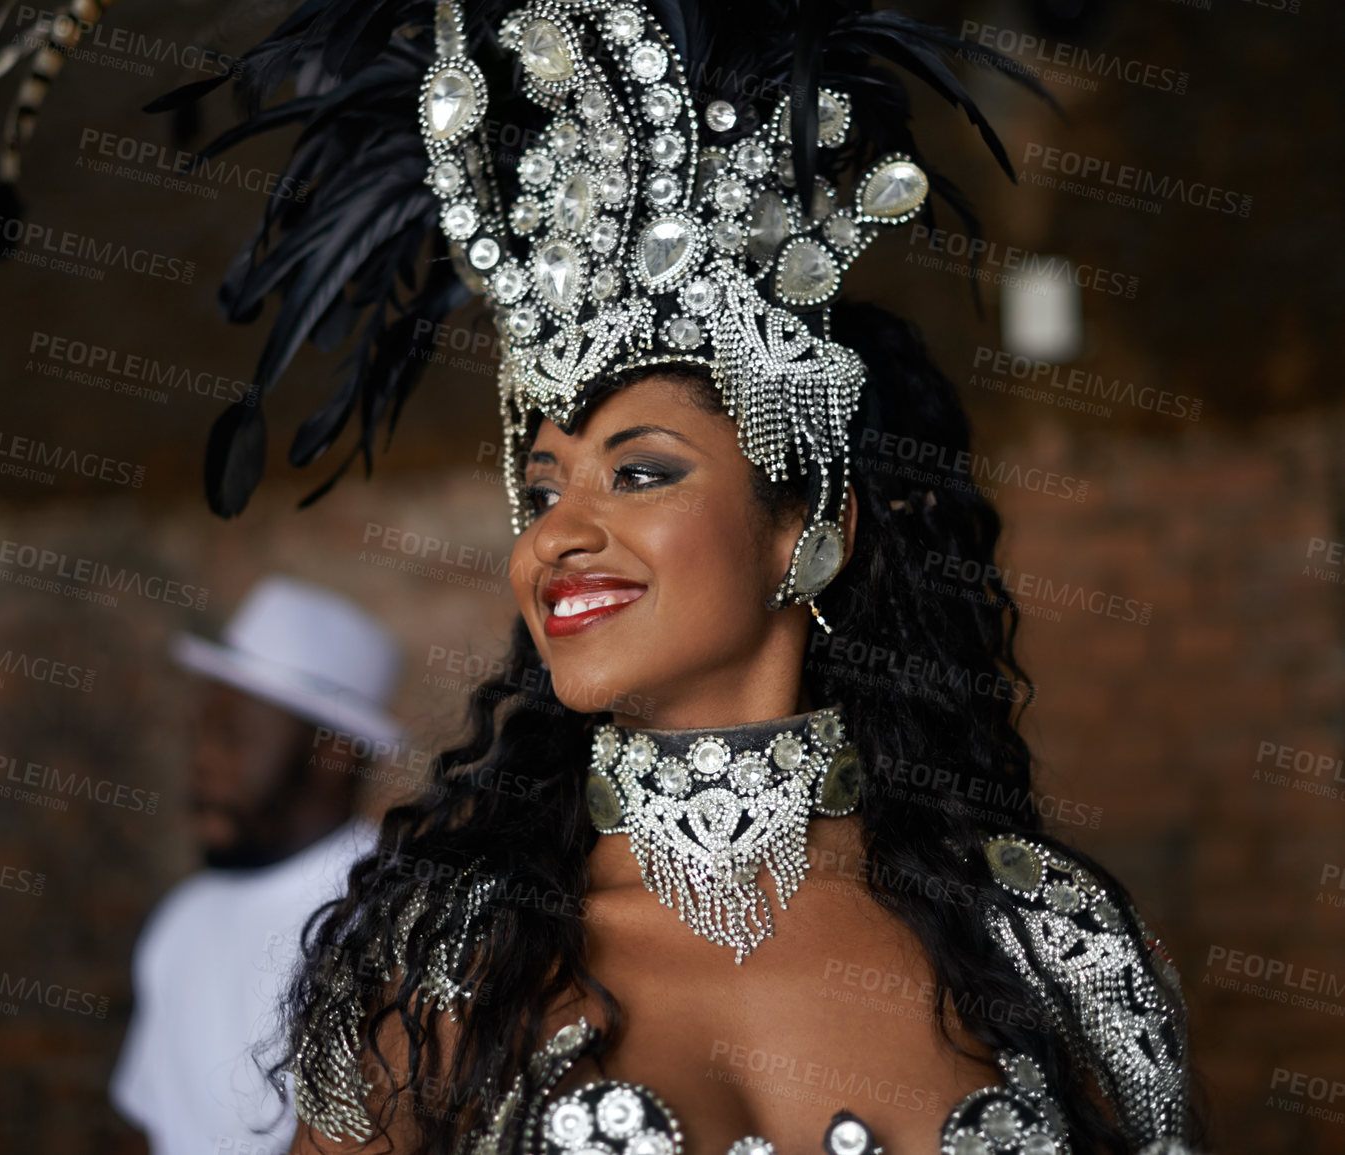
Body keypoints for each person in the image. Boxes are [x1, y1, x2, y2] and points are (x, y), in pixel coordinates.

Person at [174, 2, 1205, 1154]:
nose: (556, 537)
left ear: (805, 526)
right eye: (543, 486)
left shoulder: (1048, 941)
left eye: (641, 472)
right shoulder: (448, 959)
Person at [110, 575, 402, 1155]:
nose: (201, 759)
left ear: (332, 751)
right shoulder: (183, 919)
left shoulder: (393, 917)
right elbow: (149, 1126)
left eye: (234, 737)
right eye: (201, 734)